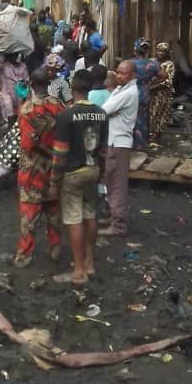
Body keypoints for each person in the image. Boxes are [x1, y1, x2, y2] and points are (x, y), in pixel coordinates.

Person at [49, 70, 108, 285]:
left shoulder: (66, 115)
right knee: (90, 215)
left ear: (73, 89)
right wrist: (100, 173)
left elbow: (60, 152)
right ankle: (90, 264)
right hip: (93, 170)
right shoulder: (101, 113)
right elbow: (103, 149)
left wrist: (55, 181)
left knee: (74, 221)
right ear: (90, 89)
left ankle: (79, 271)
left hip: (72, 174)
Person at [13, 68, 63, 268]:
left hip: (33, 171)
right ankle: (55, 249)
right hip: (55, 169)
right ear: (48, 83)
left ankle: (24, 256)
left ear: (31, 85)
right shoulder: (59, 105)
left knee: (29, 214)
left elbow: (28, 144)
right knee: (53, 210)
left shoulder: (27, 110)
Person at [99, 59, 140, 237]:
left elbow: (104, 110)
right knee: (110, 180)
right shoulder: (121, 88)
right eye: (118, 72)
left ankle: (118, 225)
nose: (119, 75)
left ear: (133, 76)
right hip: (114, 141)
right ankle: (113, 216)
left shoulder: (129, 92)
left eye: (123, 73)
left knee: (117, 184)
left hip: (119, 143)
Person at [131, 38, 162, 148]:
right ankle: (142, 143)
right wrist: (150, 83)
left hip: (132, 93)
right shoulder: (153, 64)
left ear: (135, 50)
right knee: (143, 117)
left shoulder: (130, 63)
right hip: (145, 93)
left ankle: (131, 144)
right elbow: (164, 76)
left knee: (130, 117)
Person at [149, 42, 175, 139]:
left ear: (167, 53)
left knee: (160, 112)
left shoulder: (169, 64)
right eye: (159, 51)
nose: (160, 53)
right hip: (151, 92)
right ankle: (149, 133)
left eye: (164, 51)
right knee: (151, 112)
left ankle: (156, 134)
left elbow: (167, 81)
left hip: (162, 93)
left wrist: (151, 87)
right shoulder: (152, 61)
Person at [0, 52, 29, 126]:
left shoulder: (23, 66)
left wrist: (24, 83)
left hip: (19, 93)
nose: (15, 57)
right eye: (13, 55)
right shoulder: (4, 65)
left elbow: (27, 79)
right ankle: (10, 129)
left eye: (17, 55)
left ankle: (16, 129)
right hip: (7, 92)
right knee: (9, 111)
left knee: (19, 112)